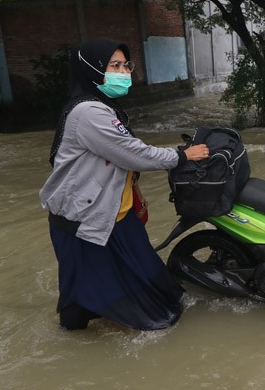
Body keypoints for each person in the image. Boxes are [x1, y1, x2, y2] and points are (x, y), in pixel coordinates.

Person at [39, 38, 209, 331]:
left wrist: (135, 192)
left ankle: (74, 334)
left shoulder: (104, 107)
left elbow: (117, 162)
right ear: (92, 70)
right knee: (134, 306)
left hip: (114, 215)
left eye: (125, 65)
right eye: (114, 66)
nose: (124, 72)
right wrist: (182, 156)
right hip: (85, 222)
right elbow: (133, 153)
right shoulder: (89, 112)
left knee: (146, 279)